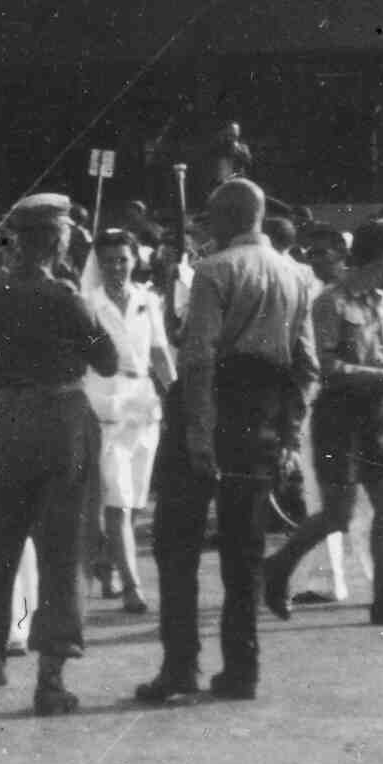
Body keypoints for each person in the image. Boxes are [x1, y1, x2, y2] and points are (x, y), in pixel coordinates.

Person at [0, 194, 117, 713]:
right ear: (57, 241)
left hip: (9, 421)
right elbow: (108, 361)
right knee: (63, 552)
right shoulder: (64, 297)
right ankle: (50, 680)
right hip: (62, 422)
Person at [140, 178, 316, 705]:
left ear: (229, 216)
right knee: (244, 550)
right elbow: (307, 369)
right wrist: (289, 436)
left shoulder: (214, 271)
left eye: (212, 216)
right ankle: (242, 670)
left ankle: (180, 667)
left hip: (213, 409)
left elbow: (196, 358)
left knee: (178, 547)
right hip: (262, 418)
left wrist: (197, 434)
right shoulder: (297, 275)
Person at [263, 220, 383, 627]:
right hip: (337, 417)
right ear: (379, 257)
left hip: (374, 414)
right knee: (338, 515)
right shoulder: (331, 303)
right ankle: (277, 567)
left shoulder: (379, 302)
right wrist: (379, 375)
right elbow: (325, 365)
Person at [83, 228, 170, 615]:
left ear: (135, 259)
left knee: (134, 501)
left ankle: (107, 560)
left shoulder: (148, 301)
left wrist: (179, 397)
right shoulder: (87, 304)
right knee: (116, 502)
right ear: (98, 265)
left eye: (123, 259)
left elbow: (160, 354)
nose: (116, 267)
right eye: (108, 261)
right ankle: (133, 586)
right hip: (103, 406)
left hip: (144, 405)